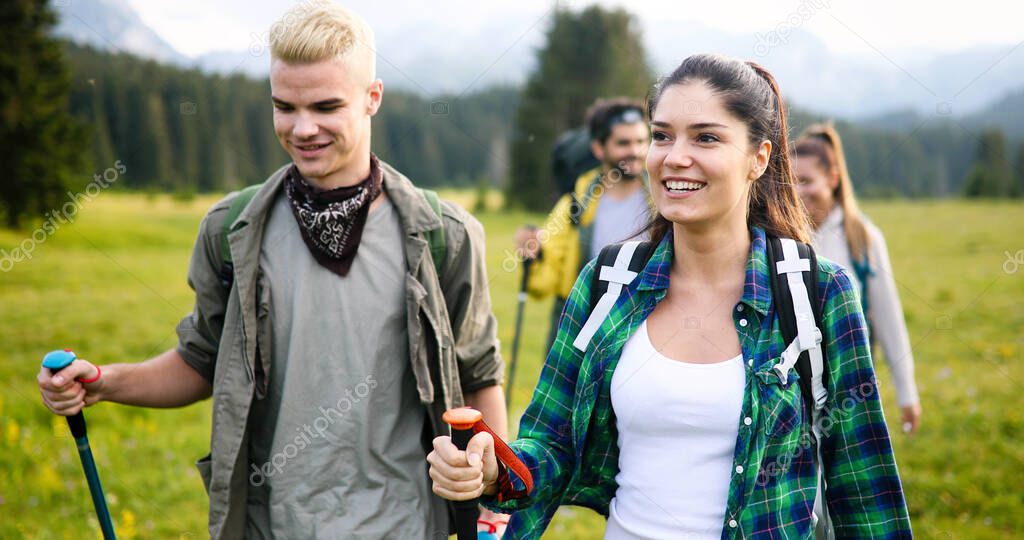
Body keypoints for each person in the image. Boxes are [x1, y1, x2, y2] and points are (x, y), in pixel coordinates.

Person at [37, 2, 508, 537]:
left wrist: (495, 497)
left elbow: (479, 376)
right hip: (270, 525)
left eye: (326, 106)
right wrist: (102, 382)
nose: (302, 128)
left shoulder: (445, 234)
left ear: (372, 98)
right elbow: (201, 361)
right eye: (285, 107)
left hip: (404, 523)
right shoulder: (231, 230)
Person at [428, 54, 912, 539]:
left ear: (758, 158)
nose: (674, 156)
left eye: (706, 137)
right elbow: (551, 444)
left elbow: (864, 490)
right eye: (662, 135)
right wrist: (493, 469)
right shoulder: (608, 282)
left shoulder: (816, 292)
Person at [793, 123, 922, 434]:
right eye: (792, 181)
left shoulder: (862, 238)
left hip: (848, 387)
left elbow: (889, 320)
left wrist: (907, 393)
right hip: (794, 387)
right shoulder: (781, 236)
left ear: (833, 179)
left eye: (807, 181)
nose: (798, 191)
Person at [514, 98, 651, 346]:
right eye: (623, 143)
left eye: (641, 141)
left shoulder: (663, 199)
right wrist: (532, 255)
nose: (636, 151)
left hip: (646, 328)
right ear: (599, 148)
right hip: (584, 330)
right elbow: (542, 284)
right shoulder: (575, 205)